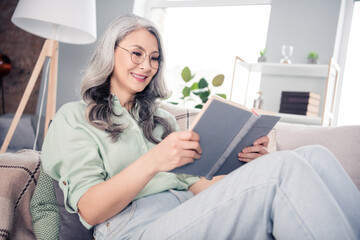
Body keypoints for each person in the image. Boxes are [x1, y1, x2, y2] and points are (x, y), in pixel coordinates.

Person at [41, 13, 360, 240]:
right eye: (136, 53)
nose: (147, 65)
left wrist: (253, 167)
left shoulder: (159, 120)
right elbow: (91, 210)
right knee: (286, 168)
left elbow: (195, 185)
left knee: (314, 155)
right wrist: (154, 160)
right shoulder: (75, 117)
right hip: (134, 227)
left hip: (190, 211)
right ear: (109, 53)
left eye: (154, 58)